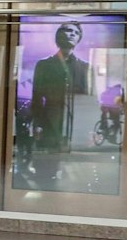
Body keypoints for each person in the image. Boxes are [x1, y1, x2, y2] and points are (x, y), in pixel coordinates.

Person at [30, 21, 91, 154]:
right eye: (68, 30)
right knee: (48, 160)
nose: (72, 35)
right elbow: (37, 97)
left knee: (73, 161)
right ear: (59, 35)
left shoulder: (84, 67)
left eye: (76, 33)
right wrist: (37, 123)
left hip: (75, 121)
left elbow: (86, 96)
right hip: (50, 119)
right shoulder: (44, 65)